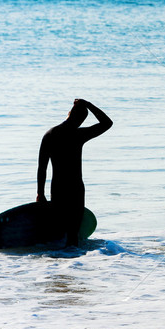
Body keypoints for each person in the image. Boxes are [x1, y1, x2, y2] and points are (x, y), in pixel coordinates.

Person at [37, 99, 113, 246]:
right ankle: (74, 263)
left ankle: (57, 262)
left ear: (69, 114)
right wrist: (89, 104)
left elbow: (42, 168)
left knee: (58, 231)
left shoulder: (50, 135)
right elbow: (107, 123)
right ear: (81, 119)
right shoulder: (78, 134)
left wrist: (40, 193)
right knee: (73, 235)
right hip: (76, 188)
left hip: (58, 188)